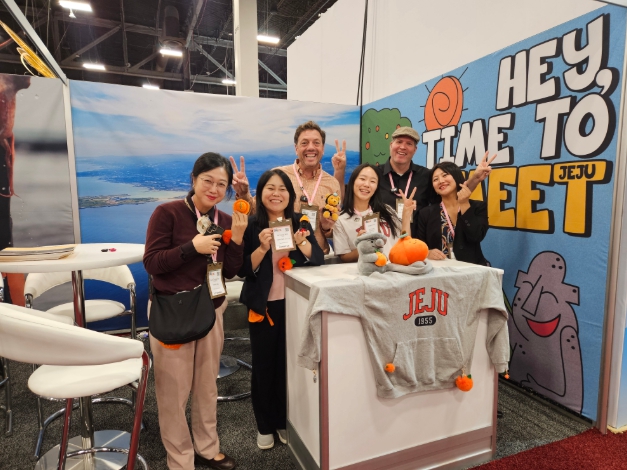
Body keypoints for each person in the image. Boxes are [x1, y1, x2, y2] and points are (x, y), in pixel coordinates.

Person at [143, 153, 247, 470]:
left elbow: (231, 271)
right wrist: (192, 248)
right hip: (172, 310)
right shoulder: (168, 213)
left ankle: (207, 447)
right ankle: (180, 459)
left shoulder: (224, 220)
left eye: (221, 184)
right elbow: (152, 263)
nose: (214, 189)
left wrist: (237, 240)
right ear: (193, 179)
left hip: (211, 309)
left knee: (206, 385)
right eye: (207, 181)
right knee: (173, 392)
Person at [238, 169, 323, 450]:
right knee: (264, 367)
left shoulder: (299, 222)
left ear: (290, 194)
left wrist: (302, 242)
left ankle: (283, 420)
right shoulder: (252, 225)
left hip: (295, 305)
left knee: (287, 366)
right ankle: (264, 425)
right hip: (264, 307)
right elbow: (242, 269)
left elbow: (317, 258)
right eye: (270, 188)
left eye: (282, 189)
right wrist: (262, 248)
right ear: (260, 194)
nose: (276, 194)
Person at [229, 121, 348, 254]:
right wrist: (243, 193)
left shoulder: (332, 183)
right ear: (296, 148)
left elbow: (335, 231)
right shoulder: (278, 175)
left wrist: (326, 228)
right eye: (304, 143)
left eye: (316, 143)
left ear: (323, 148)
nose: (311, 147)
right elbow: (255, 213)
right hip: (282, 257)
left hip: (318, 257)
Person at [375, 126, 495, 232]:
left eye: (409, 144)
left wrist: (475, 178)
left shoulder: (426, 175)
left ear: (415, 150)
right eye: (399, 142)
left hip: (417, 244)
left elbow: (454, 194)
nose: (403, 147)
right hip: (382, 243)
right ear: (391, 145)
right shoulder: (374, 174)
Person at [333, 163, 415, 262]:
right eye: (362, 179)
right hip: (368, 270)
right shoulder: (341, 220)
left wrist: (406, 216)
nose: (367, 184)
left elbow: (405, 241)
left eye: (373, 181)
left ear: (376, 187)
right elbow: (344, 257)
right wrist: (362, 247)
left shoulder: (387, 210)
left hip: (394, 267)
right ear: (353, 181)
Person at [416, 161, 489, 265]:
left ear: (456, 177)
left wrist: (464, 203)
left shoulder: (478, 207)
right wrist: (427, 253)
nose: (441, 181)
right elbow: (419, 245)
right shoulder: (426, 213)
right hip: (439, 270)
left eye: (445, 175)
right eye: (435, 179)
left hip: (472, 269)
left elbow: (476, 236)